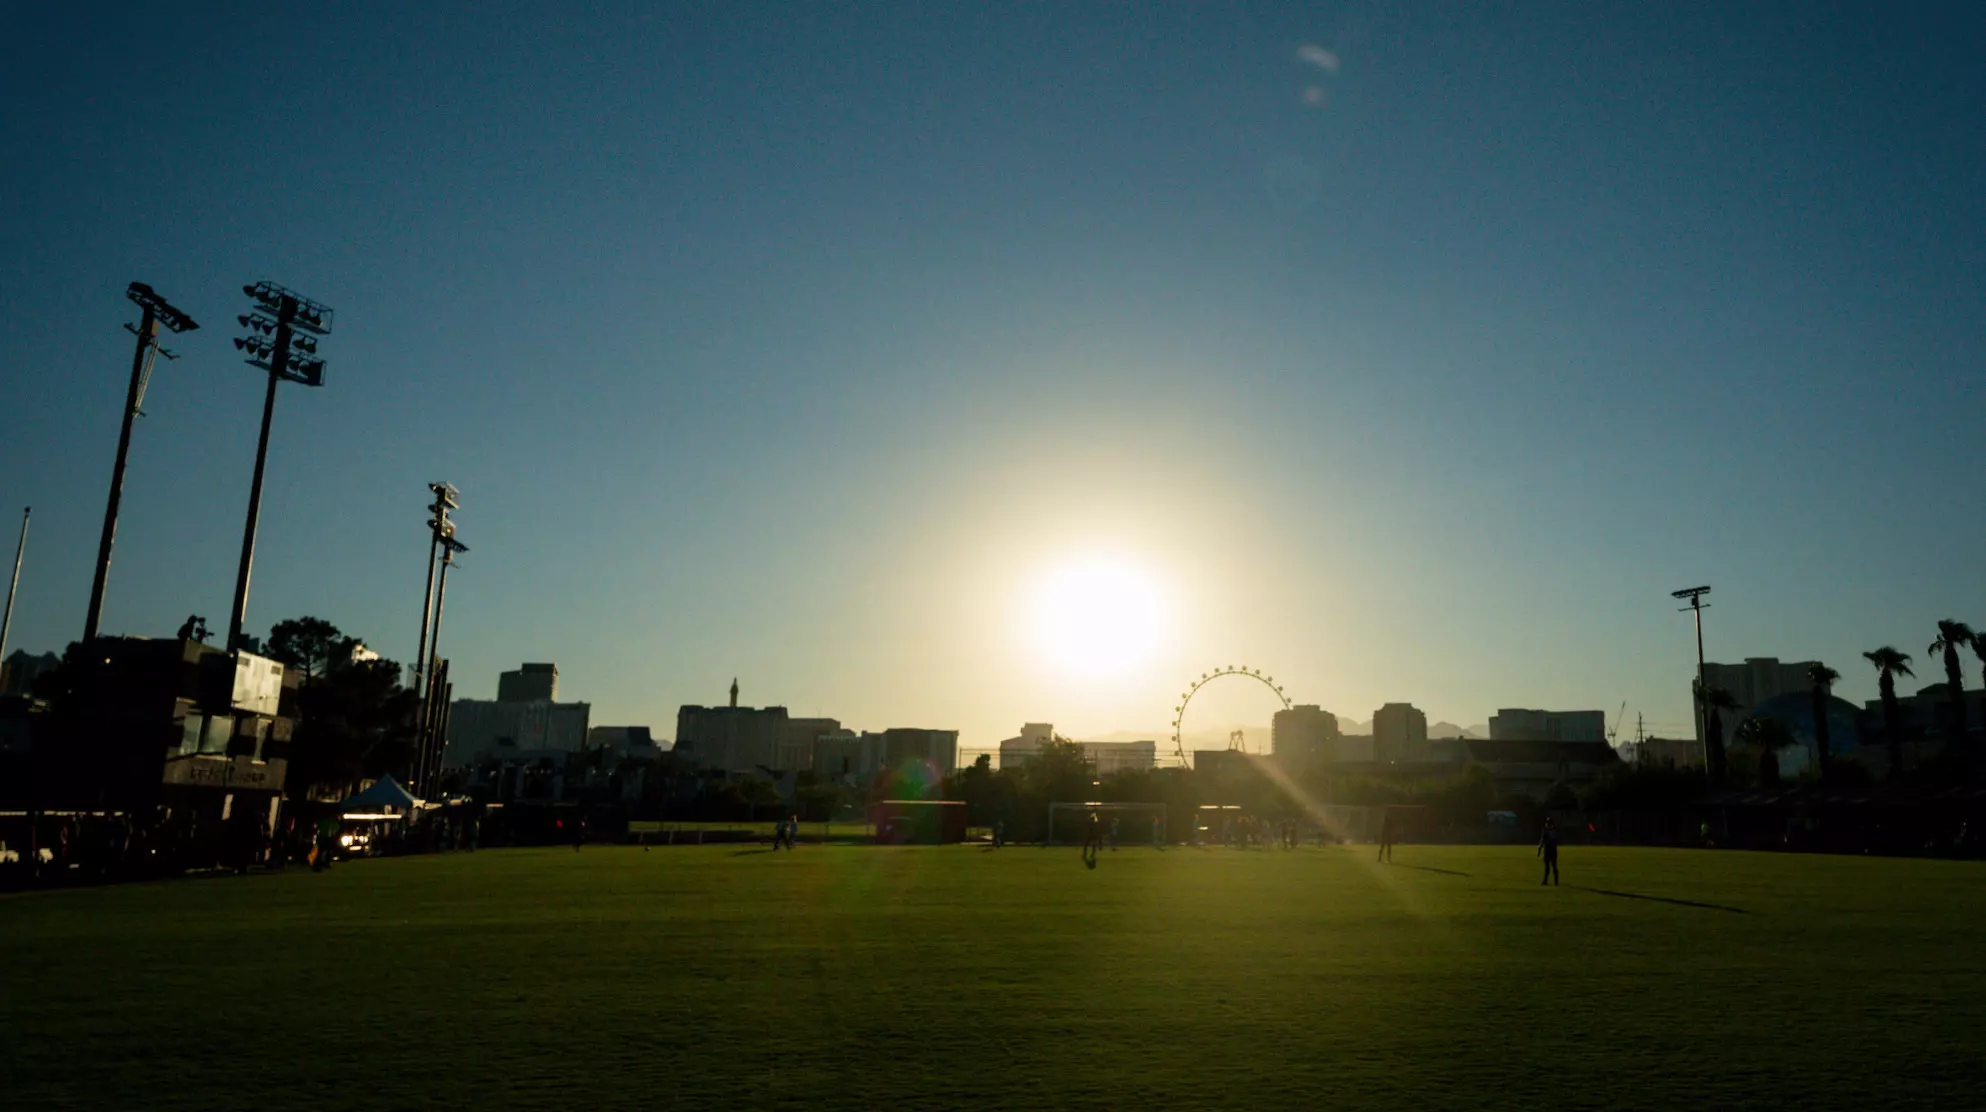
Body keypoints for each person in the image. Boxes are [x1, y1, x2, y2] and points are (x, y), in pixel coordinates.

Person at [1538, 816, 1560, 886]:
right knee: (1554, 866)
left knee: (1547, 867)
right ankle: (1556, 881)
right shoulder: (1555, 831)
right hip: (1553, 850)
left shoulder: (1545, 831)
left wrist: (1539, 849)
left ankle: (1545, 880)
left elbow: (1542, 841)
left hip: (1547, 850)